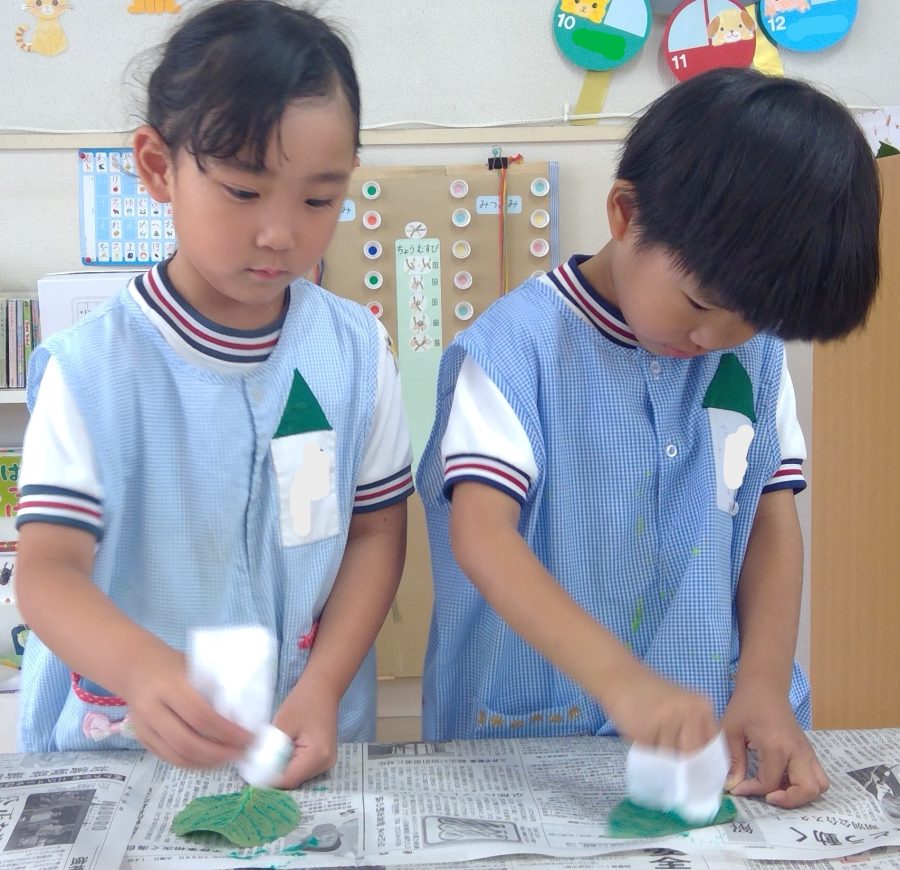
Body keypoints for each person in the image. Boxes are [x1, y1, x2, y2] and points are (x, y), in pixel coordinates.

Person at [417, 67, 880, 809]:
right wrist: (621, 682)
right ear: (625, 214)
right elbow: (482, 536)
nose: (714, 340)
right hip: (530, 745)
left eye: (753, 321)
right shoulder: (515, 351)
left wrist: (763, 681)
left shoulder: (752, 359)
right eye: (698, 302)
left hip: (712, 747)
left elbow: (770, 517)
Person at [15, 0, 413, 789]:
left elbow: (375, 535)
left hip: (299, 748)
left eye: (318, 199)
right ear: (157, 167)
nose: (280, 233)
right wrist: (142, 668)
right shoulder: (92, 370)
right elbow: (48, 571)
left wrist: (325, 684)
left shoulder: (355, 353)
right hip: (123, 757)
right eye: (242, 191)